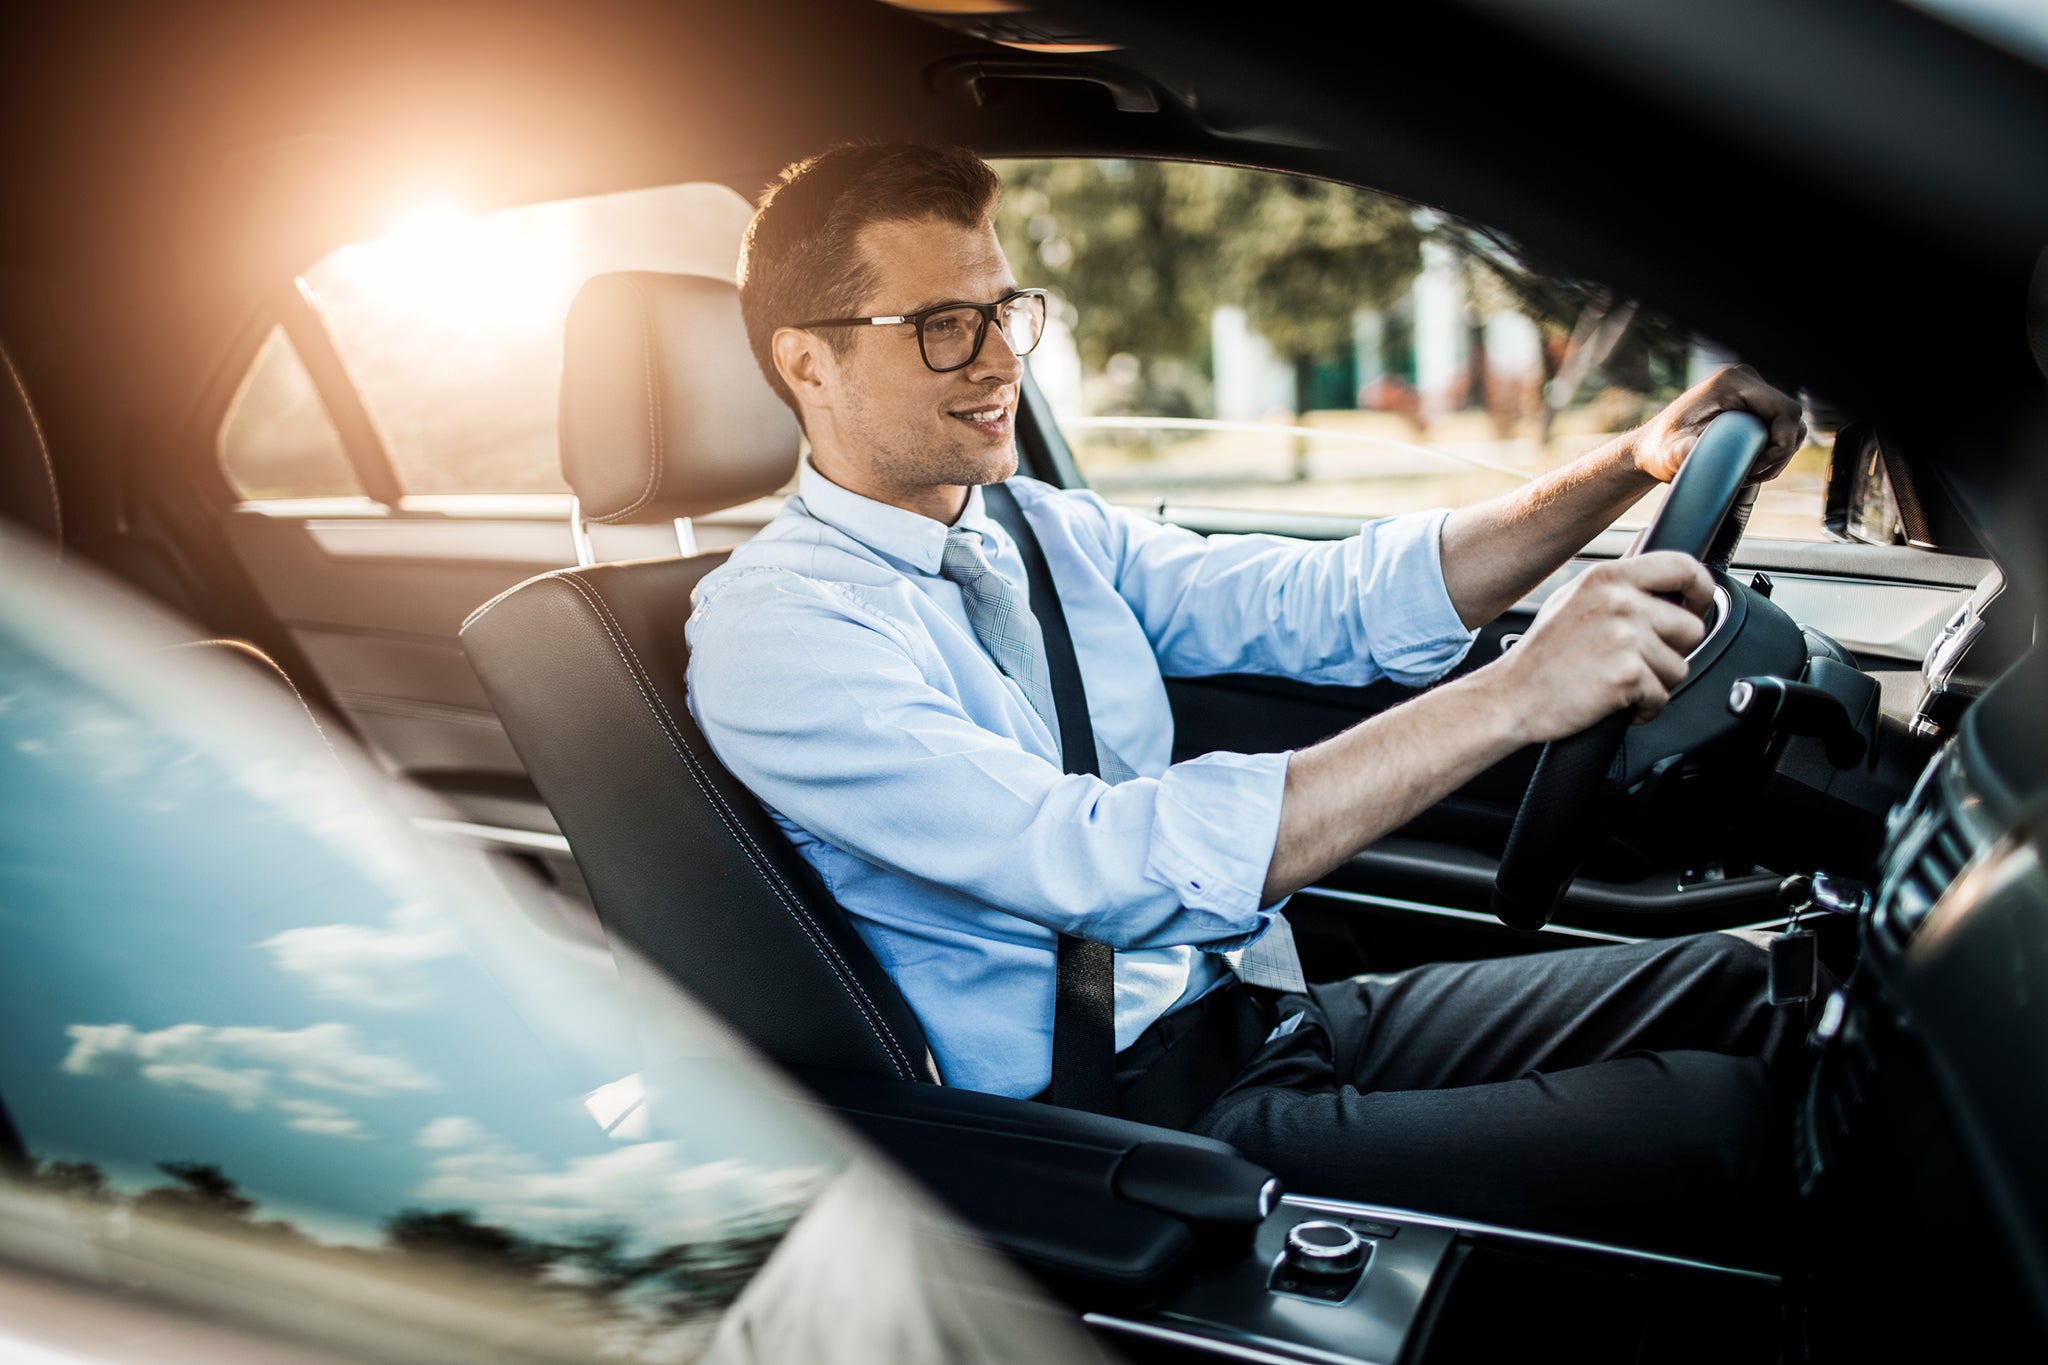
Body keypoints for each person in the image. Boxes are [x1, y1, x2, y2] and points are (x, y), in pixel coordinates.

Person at [687, 142, 1811, 1262]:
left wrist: (1634, 460)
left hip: (1258, 1017)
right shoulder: (778, 630)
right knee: (1712, 1131)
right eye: (942, 326)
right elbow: (1091, 859)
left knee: (1752, 984)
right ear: (807, 364)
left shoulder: (1041, 531)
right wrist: (1518, 694)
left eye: (1005, 310)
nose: (997, 362)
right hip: (1124, 1114)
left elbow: (1334, 600)